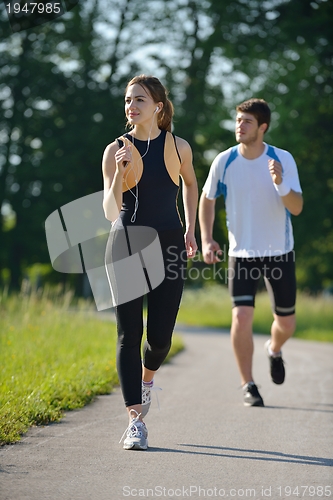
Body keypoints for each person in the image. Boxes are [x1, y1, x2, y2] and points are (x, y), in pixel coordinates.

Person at [102, 75, 198, 449]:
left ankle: (147, 381)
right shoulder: (115, 150)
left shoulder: (179, 147)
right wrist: (119, 175)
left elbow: (190, 184)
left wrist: (191, 229)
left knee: (159, 339)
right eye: (128, 100)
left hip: (170, 245)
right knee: (130, 334)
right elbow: (110, 211)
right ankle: (134, 421)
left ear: (157, 106)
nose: (132, 106)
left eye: (139, 100)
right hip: (125, 242)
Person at [199, 98, 303, 407]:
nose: (239, 126)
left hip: (279, 252)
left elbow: (296, 208)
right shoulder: (224, 161)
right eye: (238, 120)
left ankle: (274, 349)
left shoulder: (281, 159)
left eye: (246, 122)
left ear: (263, 127)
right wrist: (207, 239)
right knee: (241, 318)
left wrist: (280, 183)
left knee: (286, 324)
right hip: (241, 253)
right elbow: (207, 199)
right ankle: (248, 384)